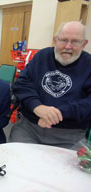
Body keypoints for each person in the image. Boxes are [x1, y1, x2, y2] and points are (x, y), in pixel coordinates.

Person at [9, 21, 91, 149]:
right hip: (30, 128)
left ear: (84, 44)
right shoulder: (42, 56)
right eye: (63, 40)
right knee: (17, 159)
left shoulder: (89, 64)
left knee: (67, 168)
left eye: (75, 41)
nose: (68, 46)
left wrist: (57, 113)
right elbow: (21, 83)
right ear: (55, 40)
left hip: (70, 135)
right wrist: (37, 106)